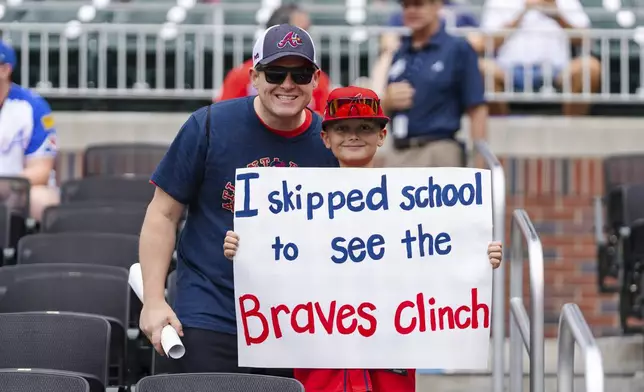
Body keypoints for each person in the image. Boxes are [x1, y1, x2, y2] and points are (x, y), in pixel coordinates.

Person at [222, 86, 504, 392]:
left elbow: (439, 261)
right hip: (319, 355)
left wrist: (476, 254)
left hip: (388, 355)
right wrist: (245, 247)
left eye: (365, 128)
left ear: (382, 135)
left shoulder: (413, 202)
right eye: (341, 128)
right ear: (325, 138)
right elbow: (274, 265)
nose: (353, 136)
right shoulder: (294, 203)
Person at [138, 23, 337, 376]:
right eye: (275, 73)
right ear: (254, 76)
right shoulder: (209, 126)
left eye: (300, 73)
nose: (288, 84)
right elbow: (163, 214)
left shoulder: (328, 144)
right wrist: (153, 301)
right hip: (208, 310)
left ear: (316, 79)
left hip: (290, 320)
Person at [378, 0, 488, 169]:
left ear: (437, 5)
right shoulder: (400, 52)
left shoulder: (458, 48)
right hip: (399, 151)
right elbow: (381, 112)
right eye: (406, 6)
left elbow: (477, 109)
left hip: (440, 150)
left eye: (418, 4)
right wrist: (386, 101)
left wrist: (480, 165)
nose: (411, 10)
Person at [479, 0, 600, 116]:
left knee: (590, 67)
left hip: (557, 70)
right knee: (481, 68)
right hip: (509, 70)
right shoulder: (497, 1)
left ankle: (570, 130)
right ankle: (500, 129)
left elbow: (585, 39)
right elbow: (488, 42)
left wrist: (557, 15)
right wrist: (523, 11)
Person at [216, 4, 331, 115]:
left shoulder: (315, 77)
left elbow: (326, 121)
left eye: (306, 30)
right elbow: (222, 117)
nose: (287, 85)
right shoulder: (241, 76)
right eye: (274, 75)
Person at [0, 40, 59, 221]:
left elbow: (41, 170)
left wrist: (5, 186)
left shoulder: (32, 106)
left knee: (43, 199)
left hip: (16, 188)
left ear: (5, 70)